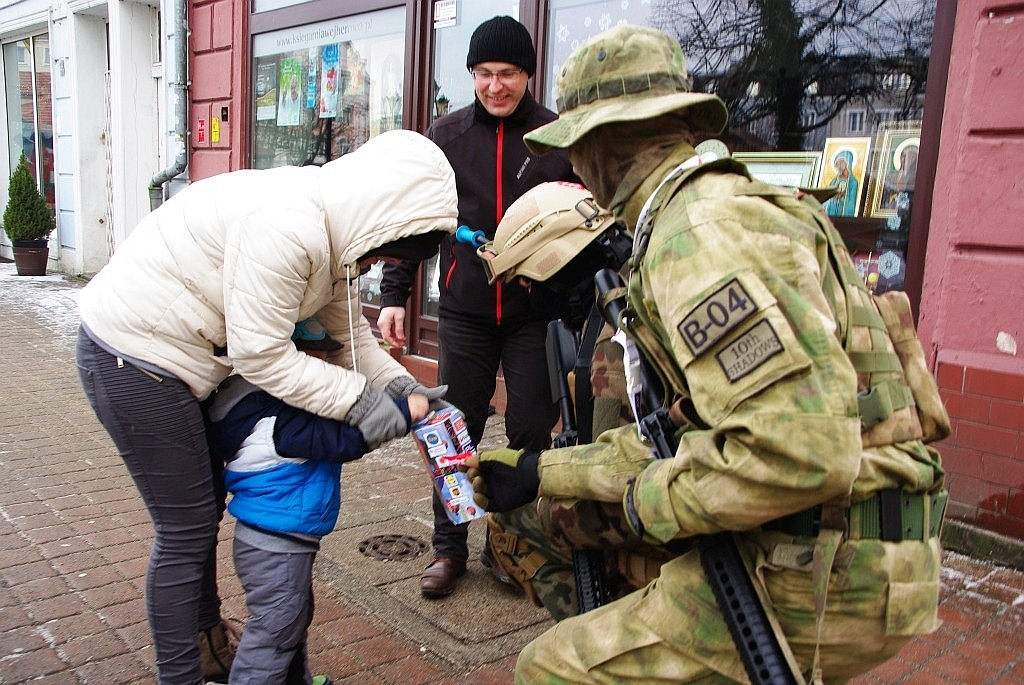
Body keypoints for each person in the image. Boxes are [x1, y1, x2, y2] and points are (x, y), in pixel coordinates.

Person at [466, 25, 949, 683]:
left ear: (600, 143)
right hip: (830, 542)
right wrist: (547, 471)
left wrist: (633, 507)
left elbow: (796, 455)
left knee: (551, 668)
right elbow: (686, 434)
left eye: (575, 150)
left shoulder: (699, 231)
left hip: (823, 561)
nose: (573, 169)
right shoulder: (698, 215)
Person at [75, 129, 457, 685]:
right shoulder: (290, 226)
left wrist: (407, 394)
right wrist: (365, 406)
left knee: (199, 516)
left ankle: (208, 645)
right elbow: (262, 356)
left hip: (177, 360)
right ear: (377, 215)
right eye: (387, 250)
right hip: (132, 354)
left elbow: (353, 338)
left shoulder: (333, 237)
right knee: (186, 528)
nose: (378, 265)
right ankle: (180, 673)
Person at [376, 15, 578, 599]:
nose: (496, 86)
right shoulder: (446, 135)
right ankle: (449, 548)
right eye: (484, 74)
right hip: (464, 311)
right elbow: (415, 223)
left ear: (527, 76)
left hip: (532, 312)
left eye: (508, 74)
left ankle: (510, 547)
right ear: (470, 75)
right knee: (454, 428)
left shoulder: (553, 136)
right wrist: (394, 296)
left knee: (529, 430)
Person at [205, 317, 429, 685]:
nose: (324, 370)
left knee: (292, 619)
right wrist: (404, 413)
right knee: (275, 631)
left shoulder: (255, 404)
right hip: (276, 543)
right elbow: (344, 439)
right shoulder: (281, 419)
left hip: (274, 540)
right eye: (317, 360)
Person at [824, 148, 860, 216]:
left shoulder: (853, 182)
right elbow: (827, 196)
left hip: (843, 214)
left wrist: (843, 196)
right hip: (832, 212)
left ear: (847, 162)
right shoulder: (834, 181)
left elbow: (851, 203)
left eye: (841, 162)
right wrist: (834, 196)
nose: (839, 165)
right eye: (837, 163)